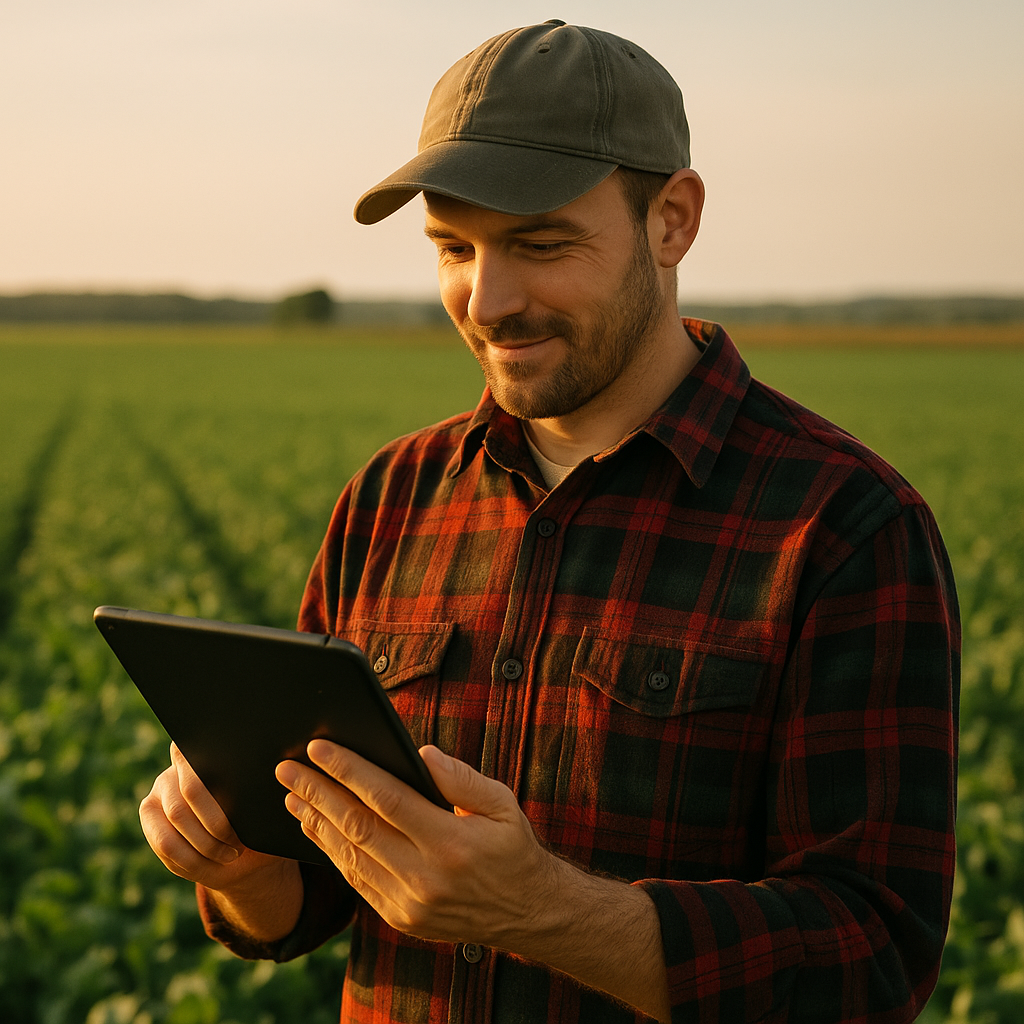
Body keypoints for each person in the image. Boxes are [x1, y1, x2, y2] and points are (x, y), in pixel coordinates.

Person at [139, 20, 960, 1024]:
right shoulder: (389, 498)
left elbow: (872, 959)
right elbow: (313, 896)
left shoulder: (843, 526)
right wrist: (241, 869)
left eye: (540, 245)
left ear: (672, 220)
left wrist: (545, 913)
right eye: (453, 247)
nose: (487, 301)